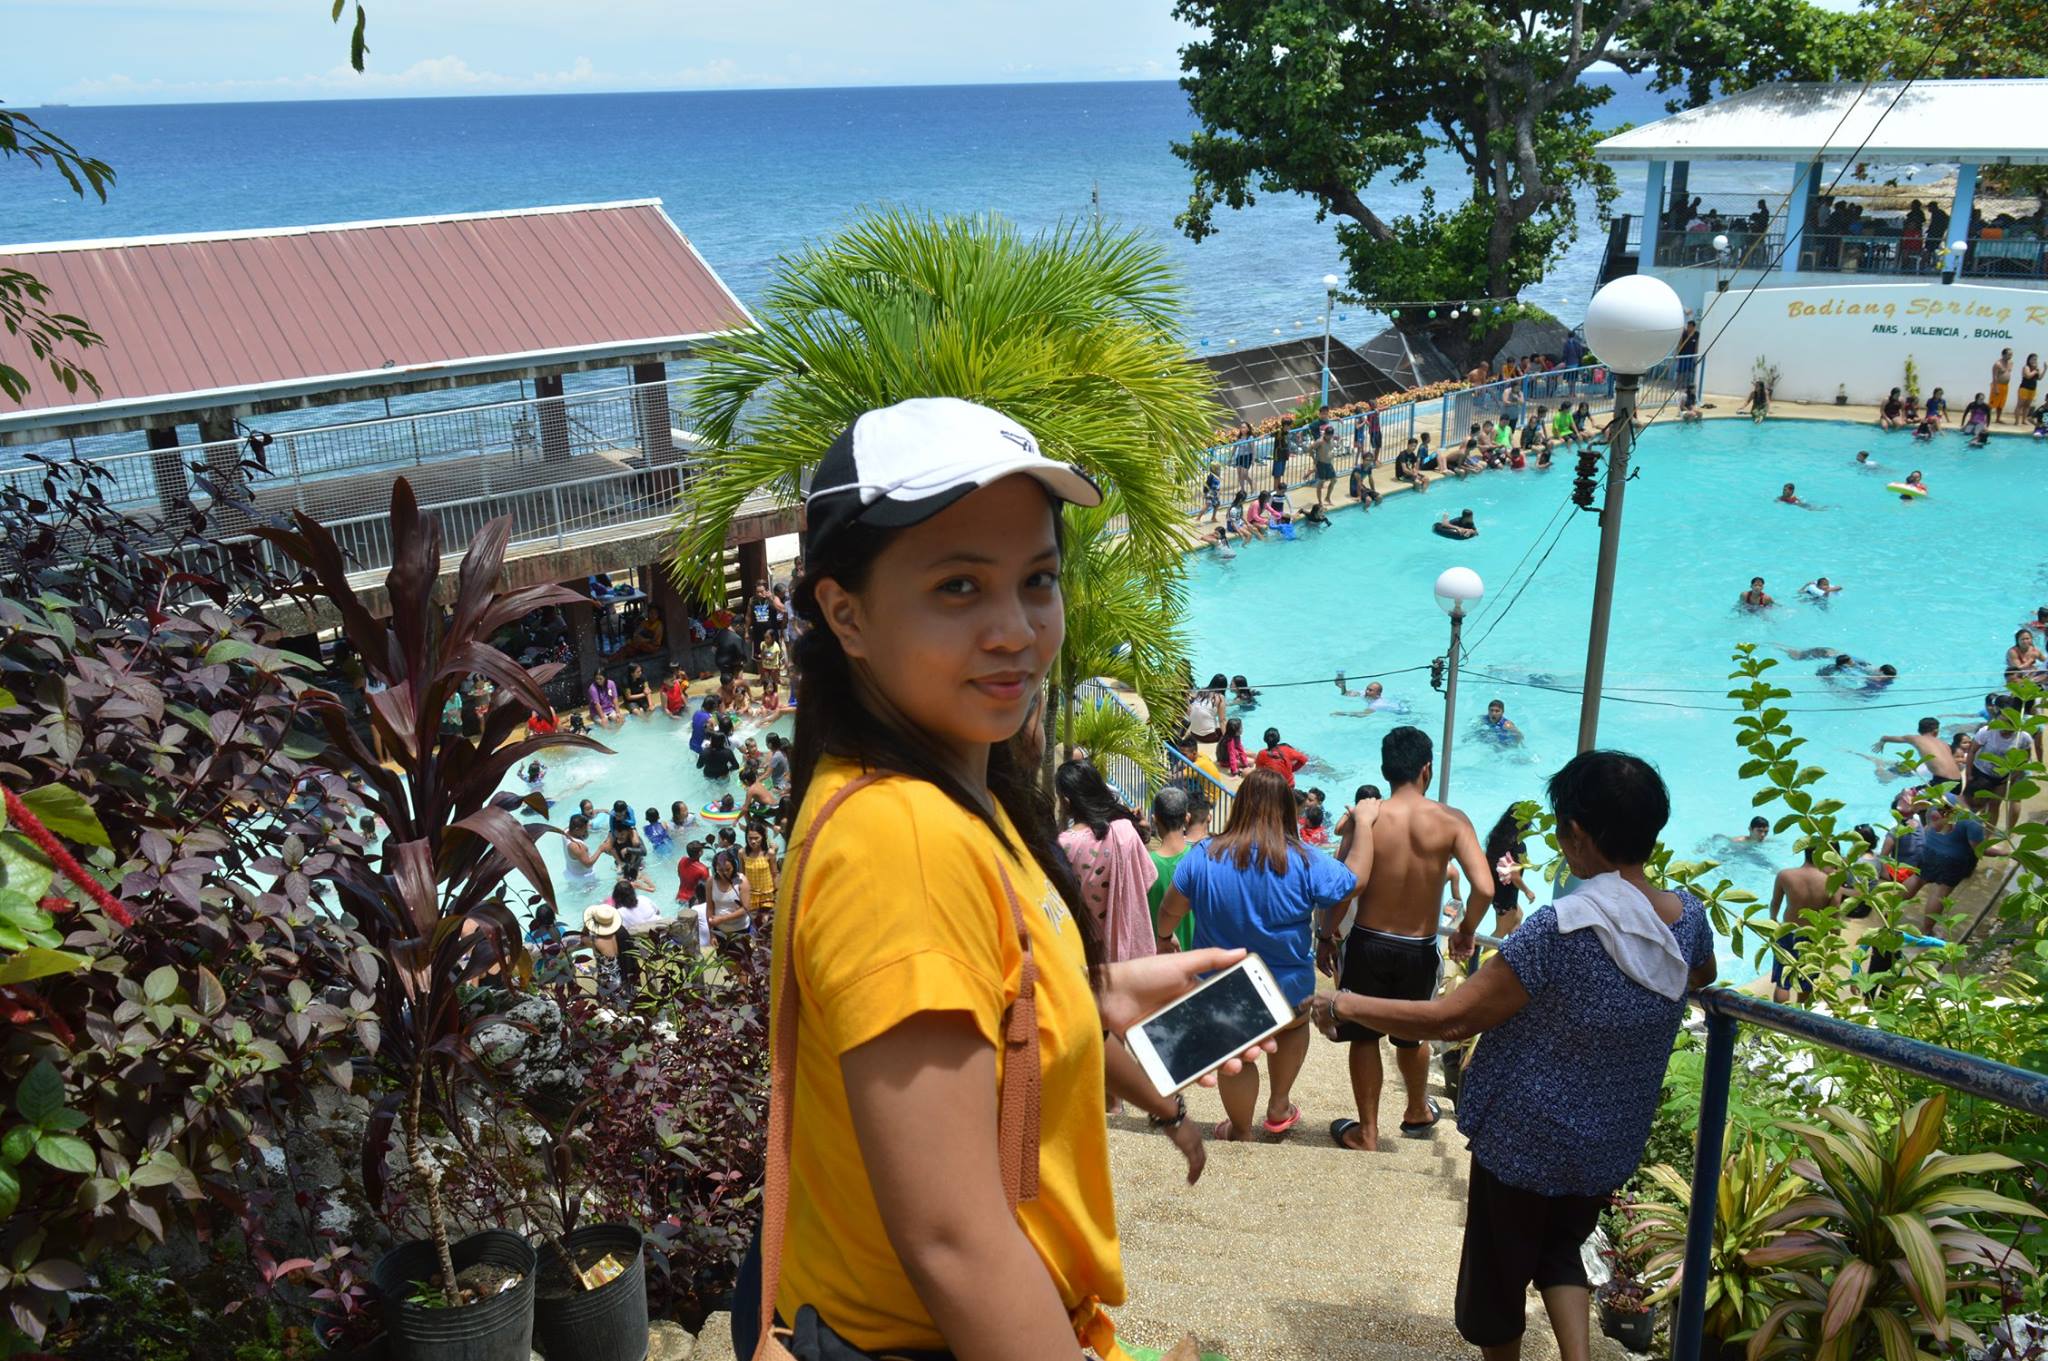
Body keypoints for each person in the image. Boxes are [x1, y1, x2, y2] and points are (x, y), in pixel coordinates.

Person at [735, 397, 1273, 1361]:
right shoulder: (903, 835)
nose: (1016, 630)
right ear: (845, 612)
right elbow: (955, 1242)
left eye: (1038, 580)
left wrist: (1100, 994)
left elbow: (983, 995)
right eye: (958, 587)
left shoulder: (958, 795)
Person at [1311, 750, 1716, 1361]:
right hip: (1609, 1137)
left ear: (1576, 834)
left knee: (1496, 1287)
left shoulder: (1560, 928)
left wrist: (1346, 1004)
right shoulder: (1689, 922)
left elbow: (1453, 1017)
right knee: (1560, 1247)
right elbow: (1701, 977)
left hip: (1526, 1140)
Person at [1153, 768, 1358, 1142]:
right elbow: (1350, 883)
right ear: (1287, 810)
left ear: (1240, 805)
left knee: (1237, 1054)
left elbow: (1170, 909)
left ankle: (1241, 1130)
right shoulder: (1305, 859)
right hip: (1289, 988)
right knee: (1292, 1029)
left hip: (1224, 987)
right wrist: (1367, 829)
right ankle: (1279, 1106)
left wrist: (1165, 938)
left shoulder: (1204, 854)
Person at [1322, 726, 1491, 1152]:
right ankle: (1417, 1109)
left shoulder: (1369, 818)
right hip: (1418, 947)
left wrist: (1326, 936)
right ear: (1426, 769)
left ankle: (1367, 1131)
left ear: (1385, 770)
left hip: (1367, 941)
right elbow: (1485, 888)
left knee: (1363, 1034)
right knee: (1412, 1033)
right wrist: (1467, 929)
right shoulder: (1452, 821)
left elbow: (1346, 886)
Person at [1056, 759, 1159, 964]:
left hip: (1086, 950)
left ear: (1066, 801)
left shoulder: (1064, 844)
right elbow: (1146, 881)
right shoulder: (1125, 831)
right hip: (1130, 949)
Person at [1768, 843, 1832, 1006]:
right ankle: (1801, 1015)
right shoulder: (1830, 882)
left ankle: (1778, 1015)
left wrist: (1773, 922)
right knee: (1807, 981)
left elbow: (1775, 903)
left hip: (1787, 932)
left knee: (1783, 981)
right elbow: (1834, 916)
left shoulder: (1785, 875)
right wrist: (1833, 944)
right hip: (1813, 935)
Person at [1965, 697, 2032, 831]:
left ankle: (1988, 834)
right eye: (2000, 722)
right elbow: (1972, 751)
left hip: (2002, 778)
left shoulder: (2023, 737)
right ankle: (1965, 829)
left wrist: (2012, 778)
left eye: (2008, 724)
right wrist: (1968, 774)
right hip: (1981, 772)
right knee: (1971, 804)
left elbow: (2025, 759)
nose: (2003, 727)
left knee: (1994, 806)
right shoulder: (1987, 731)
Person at [1146, 787, 1198, 952]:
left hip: (1160, 959)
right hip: (1197, 958)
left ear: (1155, 819)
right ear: (1187, 818)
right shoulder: (1201, 860)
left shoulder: (1146, 865)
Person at [1872, 717, 1964, 785]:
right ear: (1936, 731)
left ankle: (1879, 764)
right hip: (1959, 782)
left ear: (1919, 731)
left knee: (1903, 796)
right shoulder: (1944, 744)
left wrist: (1882, 741)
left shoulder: (1916, 738)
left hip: (1943, 783)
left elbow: (1887, 737)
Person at [1483, 808, 1529, 937]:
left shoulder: (1496, 839)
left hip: (1497, 892)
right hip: (1507, 897)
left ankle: (1511, 947)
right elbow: (1515, 877)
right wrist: (1528, 891)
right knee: (1500, 933)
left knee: (1518, 917)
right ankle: (1485, 952)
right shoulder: (1518, 846)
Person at [741, 820, 779, 920]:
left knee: (766, 921)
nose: (753, 841)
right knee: (753, 922)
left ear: (763, 837)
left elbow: (775, 874)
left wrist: (777, 893)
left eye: (756, 838)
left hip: (767, 895)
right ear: (746, 838)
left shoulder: (769, 853)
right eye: (750, 838)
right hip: (751, 895)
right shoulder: (742, 853)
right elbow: (742, 875)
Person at [1990, 348, 2013, 423]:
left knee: (2001, 404)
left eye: (2011, 354)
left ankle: (1998, 419)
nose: (2011, 356)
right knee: (1992, 403)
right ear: (2003, 354)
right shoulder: (1997, 364)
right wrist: (1996, 388)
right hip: (1997, 385)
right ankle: (1986, 417)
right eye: (2009, 354)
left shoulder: (2011, 363)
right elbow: (1995, 376)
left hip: (2005, 386)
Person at [2019, 353, 2042, 422]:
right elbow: (2028, 376)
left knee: (2027, 405)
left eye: (2035, 359)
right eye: (2033, 359)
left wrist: (2045, 369)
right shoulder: (2026, 367)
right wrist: (2035, 371)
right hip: (2024, 388)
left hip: (2032, 389)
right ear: (2029, 360)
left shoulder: (2037, 369)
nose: (2034, 361)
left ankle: (2024, 420)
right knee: (2020, 405)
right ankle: (2017, 422)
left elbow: (2039, 378)